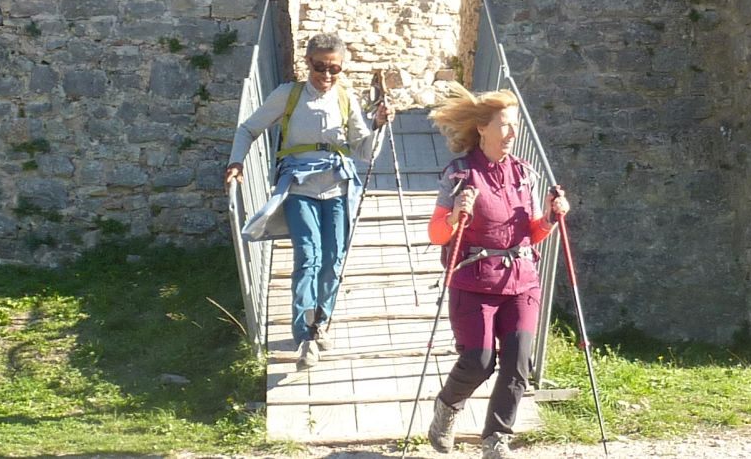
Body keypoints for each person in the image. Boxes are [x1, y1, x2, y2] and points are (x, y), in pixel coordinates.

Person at [224, 33, 391, 370]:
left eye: (334, 68)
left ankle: (321, 321)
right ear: (307, 63)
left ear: (342, 68)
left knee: (333, 261)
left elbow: (365, 150)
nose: (326, 75)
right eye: (319, 67)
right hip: (299, 188)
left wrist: (379, 125)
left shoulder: (345, 98)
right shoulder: (288, 95)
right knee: (308, 257)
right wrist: (236, 162)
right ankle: (305, 335)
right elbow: (248, 129)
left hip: (338, 189)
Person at [424, 83, 569, 459]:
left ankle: (496, 438)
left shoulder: (525, 174)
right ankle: (447, 407)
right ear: (482, 128)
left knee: (519, 361)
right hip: (474, 281)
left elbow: (533, 233)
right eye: (504, 124)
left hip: (521, 280)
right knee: (479, 361)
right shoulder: (459, 174)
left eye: (514, 125)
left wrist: (552, 216)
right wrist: (456, 215)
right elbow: (436, 233)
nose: (511, 133)